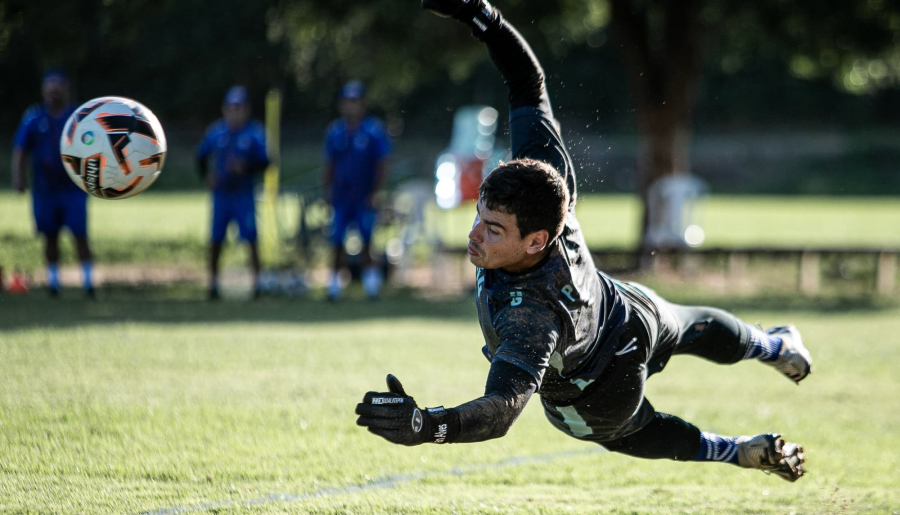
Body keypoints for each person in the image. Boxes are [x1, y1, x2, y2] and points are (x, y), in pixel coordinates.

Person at [355, 0, 812, 482]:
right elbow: (527, 81)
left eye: (493, 230)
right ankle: (775, 346)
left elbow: (502, 410)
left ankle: (734, 449)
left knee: (629, 430)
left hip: (597, 389)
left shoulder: (532, 314)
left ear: (536, 241)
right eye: (479, 217)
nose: (474, 235)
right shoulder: (547, 185)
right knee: (690, 323)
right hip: (630, 310)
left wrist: (428, 427)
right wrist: (482, 16)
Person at [11, 70, 94, 298]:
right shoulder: (34, 118)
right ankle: (54, 283)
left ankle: (88, 283)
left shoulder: (78, 118)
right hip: (45, 190)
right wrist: (18, 177)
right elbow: (21, 150)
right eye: (50, 88)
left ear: (66, 90)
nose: (54, 93)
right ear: (43, 91)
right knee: (49, 236)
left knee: (80, 236)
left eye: (58, 88)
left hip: (73, 189)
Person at [197, 86, 269, 300]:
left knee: (251, 239)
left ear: (246, 110)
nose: (235, 112)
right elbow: (200, 157)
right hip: (222, 194)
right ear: (225, 109)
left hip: (243, 194)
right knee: (216, 240)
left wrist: (245, 167)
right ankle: (213, 284)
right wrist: (206, 177)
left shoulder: (254, 133)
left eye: (239, 108)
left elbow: (266, 161)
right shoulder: (217, 131)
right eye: (231, 107)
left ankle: (258, 284)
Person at [323, 81, 391, 301]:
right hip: (342, 195)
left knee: (366, 239)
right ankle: (334, 285)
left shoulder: (373, 130)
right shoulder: (335, 131)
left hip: (363, 195)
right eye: (347, 102)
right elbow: (329, 164)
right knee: (336, 240)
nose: (351, 107)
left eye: (355, 102)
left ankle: (371, 285)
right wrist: (328, 190)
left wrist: (375, 191)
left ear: (362, 104)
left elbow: (382, 163)